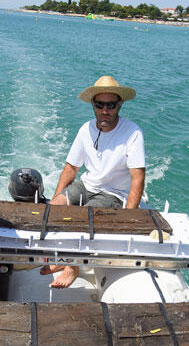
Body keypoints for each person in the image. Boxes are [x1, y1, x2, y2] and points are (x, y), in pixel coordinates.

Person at [41, 76, 146, 288]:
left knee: (81, 220)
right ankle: (62, 259)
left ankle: (72, 267)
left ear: (120, 105)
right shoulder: (85, 129)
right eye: (100, 105)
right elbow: (71, 168)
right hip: (87, 185)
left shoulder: (132, 133)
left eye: (111, 105)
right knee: (52, 210)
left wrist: (129, 217)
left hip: (113, 193)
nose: (105, 110)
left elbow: (138, 177)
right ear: (93, 105)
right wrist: (56, 199)